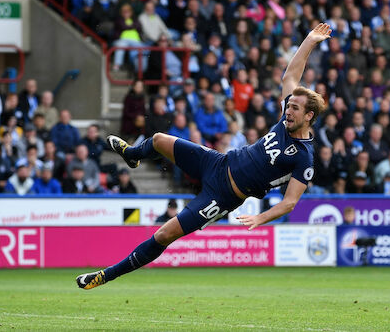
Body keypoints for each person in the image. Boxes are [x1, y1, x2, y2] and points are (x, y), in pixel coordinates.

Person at [76, 23, 331, 289]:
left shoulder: (304, 157)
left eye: (294, 109)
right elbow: (290, 75)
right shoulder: (285, 119)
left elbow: (290, 202)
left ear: (309, 116)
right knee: (160, 139)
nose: (288, 111)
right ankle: (132, 154)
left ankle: (106, 275)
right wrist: (310, 41)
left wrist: (261, 218)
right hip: (218, 162)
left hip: (224, 196)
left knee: (165, 233)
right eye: (288, 106)